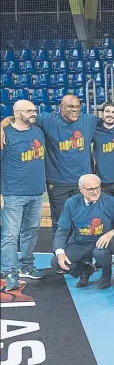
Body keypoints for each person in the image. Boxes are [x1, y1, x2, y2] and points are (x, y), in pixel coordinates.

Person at [2, 95, 100, 234]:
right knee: (60, 223)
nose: (75, 110)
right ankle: (60, 253)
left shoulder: (89, 120)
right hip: (58, 183)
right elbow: (20, 117)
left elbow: (113, 123)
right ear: (61, 108)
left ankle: (80, 254)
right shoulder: (47, 120)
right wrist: (2, 125)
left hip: (82, 183)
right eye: (70, 107)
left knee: (83, 222)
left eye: (78, 106)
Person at [51, 174, 114, 289]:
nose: (95, 192)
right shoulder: (71, 203)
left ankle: (106, 275)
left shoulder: (111, 202)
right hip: (80, 243)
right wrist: (60, 253)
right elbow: (62, 230)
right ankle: (85, 269)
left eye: (97, 188)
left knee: (100, 253)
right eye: (90, 189)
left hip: (101, 242)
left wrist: (111, 233)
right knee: (56, 262)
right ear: (81, 190)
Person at [1, 100, 47, 290]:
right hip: (13, 193)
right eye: (29, 111)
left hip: (36, 192)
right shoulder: (5, 136)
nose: (33, 113)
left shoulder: (38, 130)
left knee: (31, 231)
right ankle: (9, 271)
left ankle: (26, 265)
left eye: (34, 110)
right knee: (10, 235)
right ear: (17, 113)